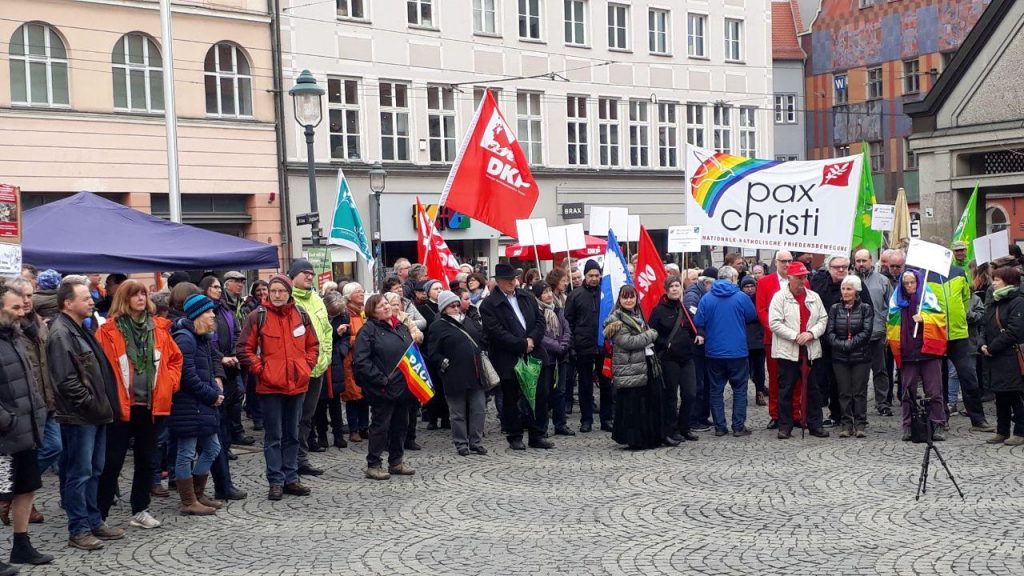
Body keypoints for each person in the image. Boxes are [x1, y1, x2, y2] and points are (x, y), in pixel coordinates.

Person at [95, 280, 183, 529]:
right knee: (112, 461)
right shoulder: (108, 331)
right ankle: (99, 515)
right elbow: (98, 366)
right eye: (135, 294)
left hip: (151, 405)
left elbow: (175, 359)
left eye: (143, 294)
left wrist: (170, 383)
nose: (141, 298)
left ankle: (140, 509)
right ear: (125, 298)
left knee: (147, 459)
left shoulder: (158, 328)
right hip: (120, 406)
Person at [47, 276, 123, 550]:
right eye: (85, 298)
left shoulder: (79, 328)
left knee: (94, 470)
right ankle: (78, 529)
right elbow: (66, 381)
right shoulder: (61, 333)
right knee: (79, 473)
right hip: (80, 416)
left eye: (91, 297)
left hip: (95, 414)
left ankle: (93, 521)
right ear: (68, 303)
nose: (92, 301)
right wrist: (91, 403)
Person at [236, 275, 319, 500]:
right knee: (274, 436)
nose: (277, 295)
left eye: (281, 291)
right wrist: (261, 370)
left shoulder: (301, 315)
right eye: (273, 291)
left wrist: (306, 365)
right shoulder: (257, 316)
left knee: (293, 433)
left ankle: (291, 478)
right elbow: (244, 349)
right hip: (270, 387)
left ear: (289, 292)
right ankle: (275, 480)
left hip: (297, 384)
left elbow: (313, 345)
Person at [0, 281, 52, 567]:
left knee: (26, 488)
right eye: (14, 307)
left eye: (23, 306)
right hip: (5, 436)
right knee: (1, 491)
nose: (21, 312)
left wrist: (38, 413)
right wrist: (6, 421)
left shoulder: (15, 337)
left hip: (26, 430)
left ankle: (22, 545)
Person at [480, 263, 552, 450]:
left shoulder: (526, 296)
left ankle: (538, 434)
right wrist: (520, 344)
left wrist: (531, 340)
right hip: (508, 357)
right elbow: (496, 332)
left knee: (539, 395)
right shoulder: (489, 304)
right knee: (511, 399)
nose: (513, 282)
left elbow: (539, 320)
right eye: (509, 280)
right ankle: (515, 435)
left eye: (514, 278)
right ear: (499, 281)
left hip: (534, 352)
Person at [922, 263, 995, 434]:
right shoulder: (924, 275)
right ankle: (941, 418)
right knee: (938, 379)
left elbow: (965, 297)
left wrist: (961, 315)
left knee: (969, 377)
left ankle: (978, 419)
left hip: (959, 333)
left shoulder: (958, 272)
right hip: (937, 332)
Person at [169, 295, 224, 516]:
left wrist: (214, 391)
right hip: (188, 405)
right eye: (208, 312)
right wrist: (212, 395)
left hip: (201, 404)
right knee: (186, 452)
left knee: (213, 448)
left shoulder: (201, 338)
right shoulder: (186, 338)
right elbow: (187, 376)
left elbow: (207, 369)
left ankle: (198, 494)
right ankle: (188, 500)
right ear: (197, 314)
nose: (213, 315)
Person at [353, 294, 418, 480]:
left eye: (386, 304)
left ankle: (396, 461)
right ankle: (374, 464)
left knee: (401, 425)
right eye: (381, 306)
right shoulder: (368, 331)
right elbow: (361, 361)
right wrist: (381, 380)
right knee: (380, 426)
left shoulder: (400, 326)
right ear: (372, 312)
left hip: (404, 387)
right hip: (382, 388)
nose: (386, 307)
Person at [197, 276, 247, 503]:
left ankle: (222, 484)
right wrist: (221, 360)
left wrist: (234, 354)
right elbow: (208, 347)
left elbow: (236, 332)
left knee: (222, 435)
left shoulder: (225, 309)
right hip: (215, 377)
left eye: (219, 286)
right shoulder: (201, 315)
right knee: (211, 440)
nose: (218, 290)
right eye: (214, 286)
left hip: (230, 372)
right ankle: (206, 489)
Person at [768, 262, 830, 440]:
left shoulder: (814, 297)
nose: (803, 280)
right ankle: (785, 426)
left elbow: (823, 319)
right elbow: (775, 323)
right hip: (788, 351)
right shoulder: (780, 298)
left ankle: (815, 424)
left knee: (813, 389)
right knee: (786, 389)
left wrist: (811, 333)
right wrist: (796, 336)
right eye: (799, 277)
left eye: (805, 276)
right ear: (790, 278)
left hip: (810, 350)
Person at [695, 267, 757, 437]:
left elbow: (698, 320)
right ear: (733, 278)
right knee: (740, 389)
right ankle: (738, 427)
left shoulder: (706, 298)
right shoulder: (741, 297)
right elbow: (752, 316)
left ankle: (720, 427)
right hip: (737, 351)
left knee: (715, 390)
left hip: (714, 351)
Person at [888, 269, 947, 442]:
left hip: (928, 352)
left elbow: (941, 320)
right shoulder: (896, 301)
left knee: (934, 391)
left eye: (912, 282)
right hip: (907, 353)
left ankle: (938, 424)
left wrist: (925, 319)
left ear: (918, 282)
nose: (909, 286)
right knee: (907, 392)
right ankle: (908, 425)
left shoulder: (928, 298)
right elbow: (890, 322)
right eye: (905, 283)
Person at [427, 291, 488, 456]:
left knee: (478, 409)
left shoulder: (467, 321)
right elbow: (433, 353)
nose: (456, 308)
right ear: (444, 309)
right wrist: (444, 363)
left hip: (475, 373)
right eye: (451, 306)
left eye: (456, 305)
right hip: (454, 375)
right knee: (457, 413)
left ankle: (476, 442)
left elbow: (480, 339)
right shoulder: (437, 326)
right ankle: (461, 443)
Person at [287, 259, 333, 478]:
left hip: (318, 368)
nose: (309, 276)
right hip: (298, 370)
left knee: (307, 417)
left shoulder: (316, 298)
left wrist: (326, 358)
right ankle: (289, 460)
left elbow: (326, 331)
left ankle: (301, 459)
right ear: (293, 275)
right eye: (304, 272)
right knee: (293, 417)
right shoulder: (287, 299)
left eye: (311, 273)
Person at [602, 285, 663, 449]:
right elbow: (629, 342)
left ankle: (648, 438)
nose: (629, 300)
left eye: (631, 297)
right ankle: (634, 439)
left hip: (643, 365)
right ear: (619, 300)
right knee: (632, 406)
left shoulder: (638, 316)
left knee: (645, 404)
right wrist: (651, 334)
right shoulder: (615, 320)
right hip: (628, 368)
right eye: (625, 297)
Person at [649, 276, 701, 443]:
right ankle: (672, 429)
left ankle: (685, 426)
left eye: (677, 286)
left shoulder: (685, 308)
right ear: (666, 289)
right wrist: (665, 343)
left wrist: (700, 335)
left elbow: (695, 327)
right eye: (671, 286)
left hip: (687, 358)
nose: (674, 289)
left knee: (690, 394)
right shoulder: (658, 311)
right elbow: (652, 334)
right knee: (671, 396)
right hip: (669, 359)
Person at [757, 250, 804, 430]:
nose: (786, 264)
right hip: (774, 338)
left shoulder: (801, 281)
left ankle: (796, 412)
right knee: (777, 377)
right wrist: (777, 330)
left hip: (796, 338)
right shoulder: (765, 282)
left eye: (789, 260)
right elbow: (761, 310)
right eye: (783, 261)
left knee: (797, 378)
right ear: (776, 262)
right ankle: (776, 414)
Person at [565, 260, 613, 433]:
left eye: (597, 275)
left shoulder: (606, 294)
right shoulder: (575, 295)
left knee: (606, 383)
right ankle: (586, 420)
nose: (594, 278)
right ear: (585, 276)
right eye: (591, 275)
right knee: (585, 385)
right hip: (582, 346)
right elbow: (568, 321)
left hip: (604, 346)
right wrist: (571, 346)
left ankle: (607, 418)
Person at [979, 266, 1024, 446]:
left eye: (997, 280)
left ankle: (1020, 431)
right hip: (994, 357)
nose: (993, 283)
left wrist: (992, 348)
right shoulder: (994, 301)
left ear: (1008, 282)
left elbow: (1014, 331)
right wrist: (982, 344)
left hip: (1010, 356)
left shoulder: (1018, 302)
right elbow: (984, 325)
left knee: (1014, 395)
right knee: (1001, 396)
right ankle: (1002, 431)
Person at [825, 275, 873, 438]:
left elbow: (866, 332)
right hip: (840, 358)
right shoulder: (835, 308)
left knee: (859, 392)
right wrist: (841, 344)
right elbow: (829, 332)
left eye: (849, 289)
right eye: (843, 288)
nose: (845, 292)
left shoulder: (865, 308)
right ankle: (846, 424)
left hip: (861, 357)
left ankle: (860, 424)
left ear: (856, 291)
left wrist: (850, 345)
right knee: (844, 392)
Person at [853, 249, 894, 417]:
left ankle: (882, 403)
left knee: (880, 371)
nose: (861, 264)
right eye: (858, 261)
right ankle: (856, 404)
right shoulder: (850, 281)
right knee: (856, 373)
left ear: (871, 260)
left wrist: (888, 331)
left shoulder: (883, 281)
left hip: (878, 333)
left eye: (864, 260)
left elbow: (892, 308)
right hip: (856, 335)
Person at [810, 255, 849, 427]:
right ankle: (831, 413)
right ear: (829, 268)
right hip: (824, 339)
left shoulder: (855, 284)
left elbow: (867, 311)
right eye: (837, 267)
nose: (841, 270)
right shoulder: (820, 285)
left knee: (844, 380)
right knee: (824, 377)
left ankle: (847, 414)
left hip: (847, 341)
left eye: (844, 267)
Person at [531, 282, 572, 437]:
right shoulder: (536, 311)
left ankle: (560, 424)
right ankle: (542, 427)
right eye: (544, 292)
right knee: (544, 393)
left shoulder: (558, 309)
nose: (548, 295)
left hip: (560, 358)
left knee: (560, 392)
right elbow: (540, 336)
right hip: (545, 358)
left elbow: (567, 329)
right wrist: (557, 346)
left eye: (549, 291)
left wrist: (564, 344)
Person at [315, 292, 349, 450]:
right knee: (319, 403)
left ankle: (338, 435)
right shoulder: (318, 316)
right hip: (320, 361)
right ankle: (321, 435)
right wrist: (336, 333)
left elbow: (345, 339)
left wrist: (342, 351)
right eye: (334, 313)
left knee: (335, 400)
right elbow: (320, 338)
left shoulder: (343, 316)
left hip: (335, 361)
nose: (337, 315)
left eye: (339, 313)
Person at [686, 269, 715, 431]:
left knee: (705, 382)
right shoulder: (692, 294)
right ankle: (694, 418)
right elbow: (694, 315)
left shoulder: (702, 292)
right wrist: (701, 331)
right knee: (698, 383)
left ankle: (703, 416)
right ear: (706, 283)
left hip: (703, 344)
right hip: (695, 343)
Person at [341, 284, 370, 446]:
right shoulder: (345, 314)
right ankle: (353, 429)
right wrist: (360, 339)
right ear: (348, 295)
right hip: (350, 359)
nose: (361, 293)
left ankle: (364, 427)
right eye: (357, 291)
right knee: (352, 396)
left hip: (364, 359)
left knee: (365, 394)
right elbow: (344, 338)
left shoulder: (364, 312)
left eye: (362, 290)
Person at [739, 276, 767, 406]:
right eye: (746, 287)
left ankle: (760, 392)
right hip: (744, 339)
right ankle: (742, 394)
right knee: (747, 369)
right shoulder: (740, 300)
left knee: (760, 368)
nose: (750, 289)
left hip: (759, 339)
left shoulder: (760, 298)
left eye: (752, 286)